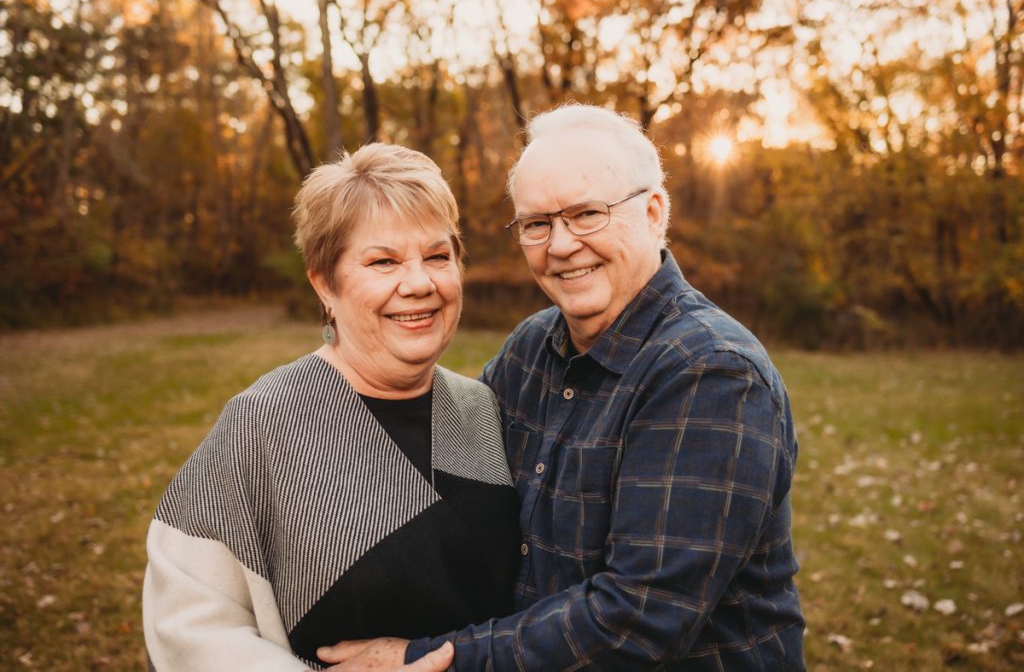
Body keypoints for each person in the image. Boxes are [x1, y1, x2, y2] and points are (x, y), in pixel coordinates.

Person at [319, 105, 805, 670]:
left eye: (587, 214)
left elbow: (639, 617)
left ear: (653, 213)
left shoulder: (711, 372)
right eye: (536, 224)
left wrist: (422, 660)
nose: (561, 244)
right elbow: (455, 502)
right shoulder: (531, 350)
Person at [142, 143, 521, 671]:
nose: (419, 284)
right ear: (325, 282)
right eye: (383, 261)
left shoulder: (483, 410)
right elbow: (190, 626)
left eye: (437, 256)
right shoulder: (262, 423)